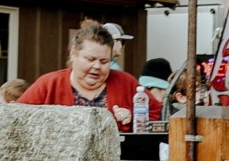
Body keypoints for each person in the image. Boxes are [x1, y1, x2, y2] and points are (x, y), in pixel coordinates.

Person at [17, 19, 160, 129]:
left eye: (104, 61)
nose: (97, 66)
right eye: (90, 59)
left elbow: (158, 114)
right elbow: (16, 117)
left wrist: (134, 118)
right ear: (73, 54)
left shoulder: (126, 83)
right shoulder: (48, 84)